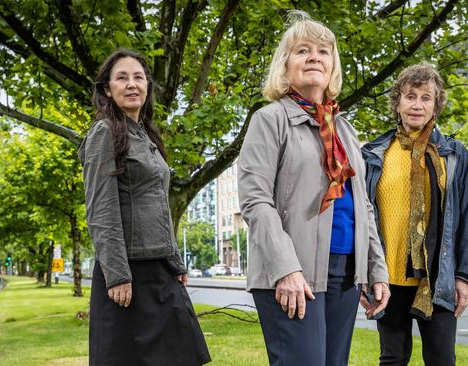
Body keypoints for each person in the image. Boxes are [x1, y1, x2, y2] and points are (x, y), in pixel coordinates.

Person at [238, 11, 390, 366]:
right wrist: (286, 269)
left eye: (323, 51)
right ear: (285, 64)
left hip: (345, 272)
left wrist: (375, 270)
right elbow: (255, 200)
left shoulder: (345, 130)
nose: (314, 58)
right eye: (302, 50)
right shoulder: (269, 120)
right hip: (293, 272)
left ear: (333, 64)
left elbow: (363, 205)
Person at [79, 49, 211, 366]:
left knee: (181, 358)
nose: (132, 84)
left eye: (138, 77)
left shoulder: (147, 135)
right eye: (121, 77)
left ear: (147, 86)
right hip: (127, 274)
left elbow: (159, 207)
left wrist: (175, 262)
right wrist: (117, 276)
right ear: (107, 89)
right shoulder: (104, 133)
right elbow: (101, 211)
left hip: (160, 271)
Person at [361, 62, 468, 365]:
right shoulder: (374, 154)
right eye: (410, 96)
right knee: (392, 359)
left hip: (438, 279)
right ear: (398, 102)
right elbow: (362, 220)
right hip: (387, 280)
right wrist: (363, 273)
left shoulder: (454, 155)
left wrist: (465, 277)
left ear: (436, 104)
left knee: (442, 360)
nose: (417, 105)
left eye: (425, 97)